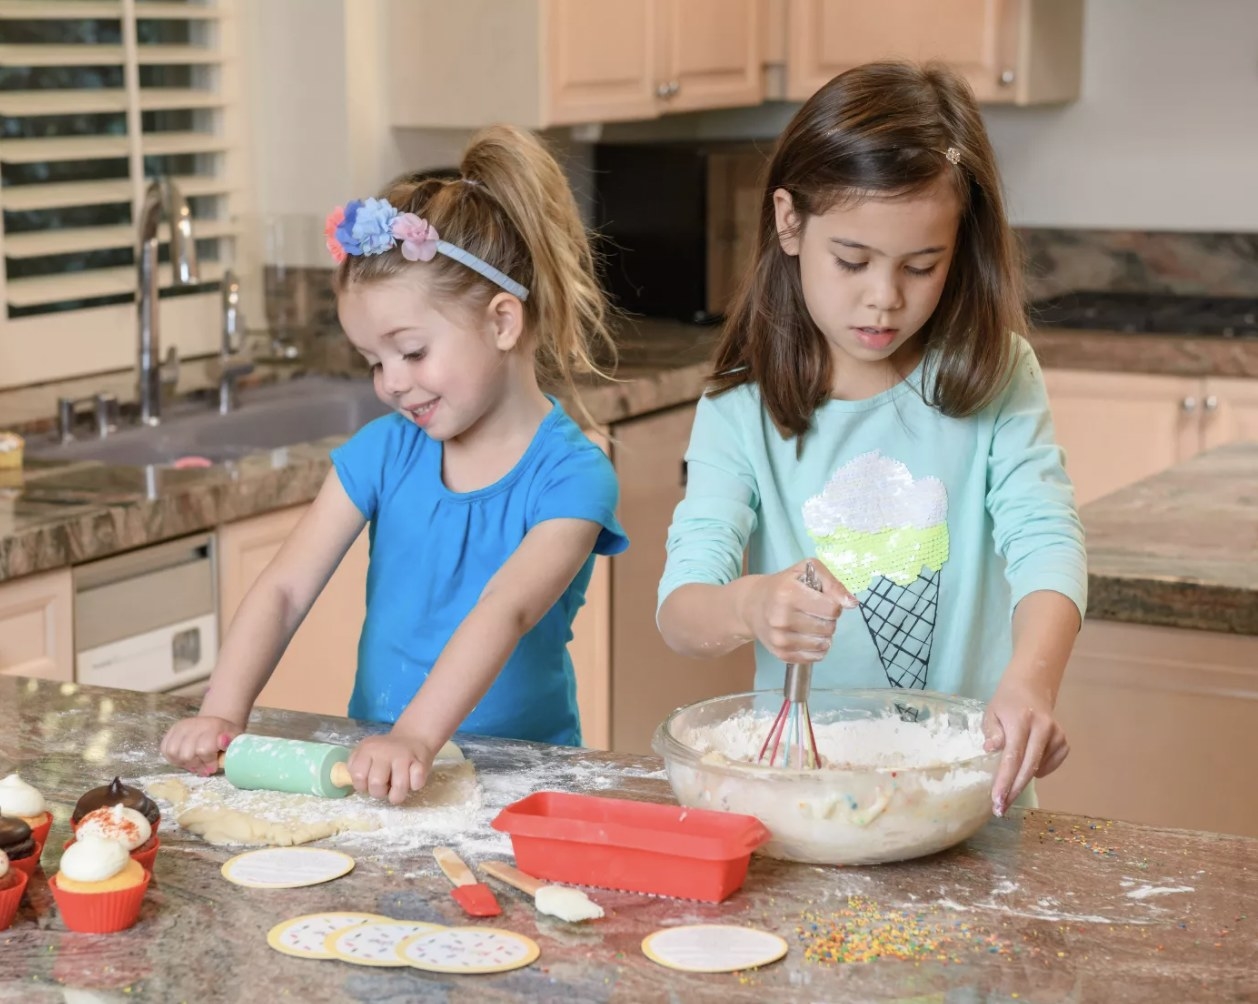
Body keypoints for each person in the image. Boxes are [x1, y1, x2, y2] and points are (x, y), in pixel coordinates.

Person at [656, 61, 1086, 816]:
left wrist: (1030, 682)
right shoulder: (742, 402)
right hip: (802, 796)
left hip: (966, 791)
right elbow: (683, 608)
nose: (884, 298)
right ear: (789, 222)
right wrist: (751, 605)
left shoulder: (996, 373)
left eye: (922, 266)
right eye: (851, 260)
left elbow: (1045, 538)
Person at [162, 126, 628, 803]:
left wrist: (416, 734)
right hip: (383, 771)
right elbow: (285, 590)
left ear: (502, 323)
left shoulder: (573, 476)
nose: (393, 383)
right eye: (375, 362)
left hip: (519, 783)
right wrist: (221, 710)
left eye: (411, 352)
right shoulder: (384, 451)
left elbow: (504, 609)